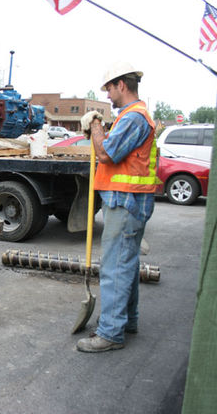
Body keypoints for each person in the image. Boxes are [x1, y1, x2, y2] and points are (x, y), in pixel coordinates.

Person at [76, 61, 161, 353]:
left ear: (121, 85)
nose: (108, 95)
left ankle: (110, 333)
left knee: (114, 266)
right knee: (127, 263)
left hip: (125, 204)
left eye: (110, 89)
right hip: (128, 202)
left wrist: (96, 123)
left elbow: (106, 153)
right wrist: (99, 127)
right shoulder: (132, 116)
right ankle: (127, 321)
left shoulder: (133, 118)